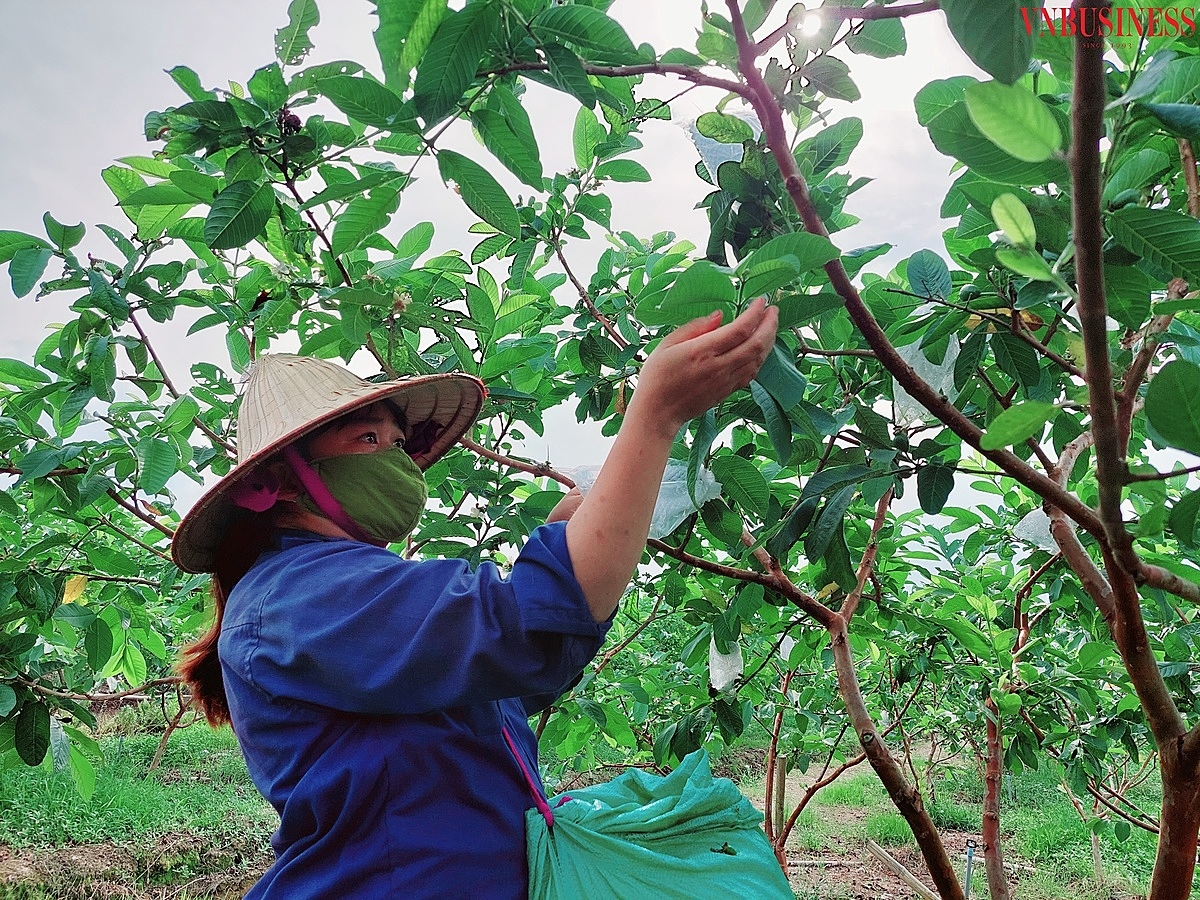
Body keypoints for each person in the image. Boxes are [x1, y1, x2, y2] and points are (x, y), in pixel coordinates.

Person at [172, 298, 778, 899]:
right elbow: (527, 634)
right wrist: (655, 417)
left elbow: (506, 680)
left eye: (398, 442)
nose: (395, 460)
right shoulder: (298, 596)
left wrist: (579, 536)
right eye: (367, 438)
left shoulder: (340, 589)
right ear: (281, 480)